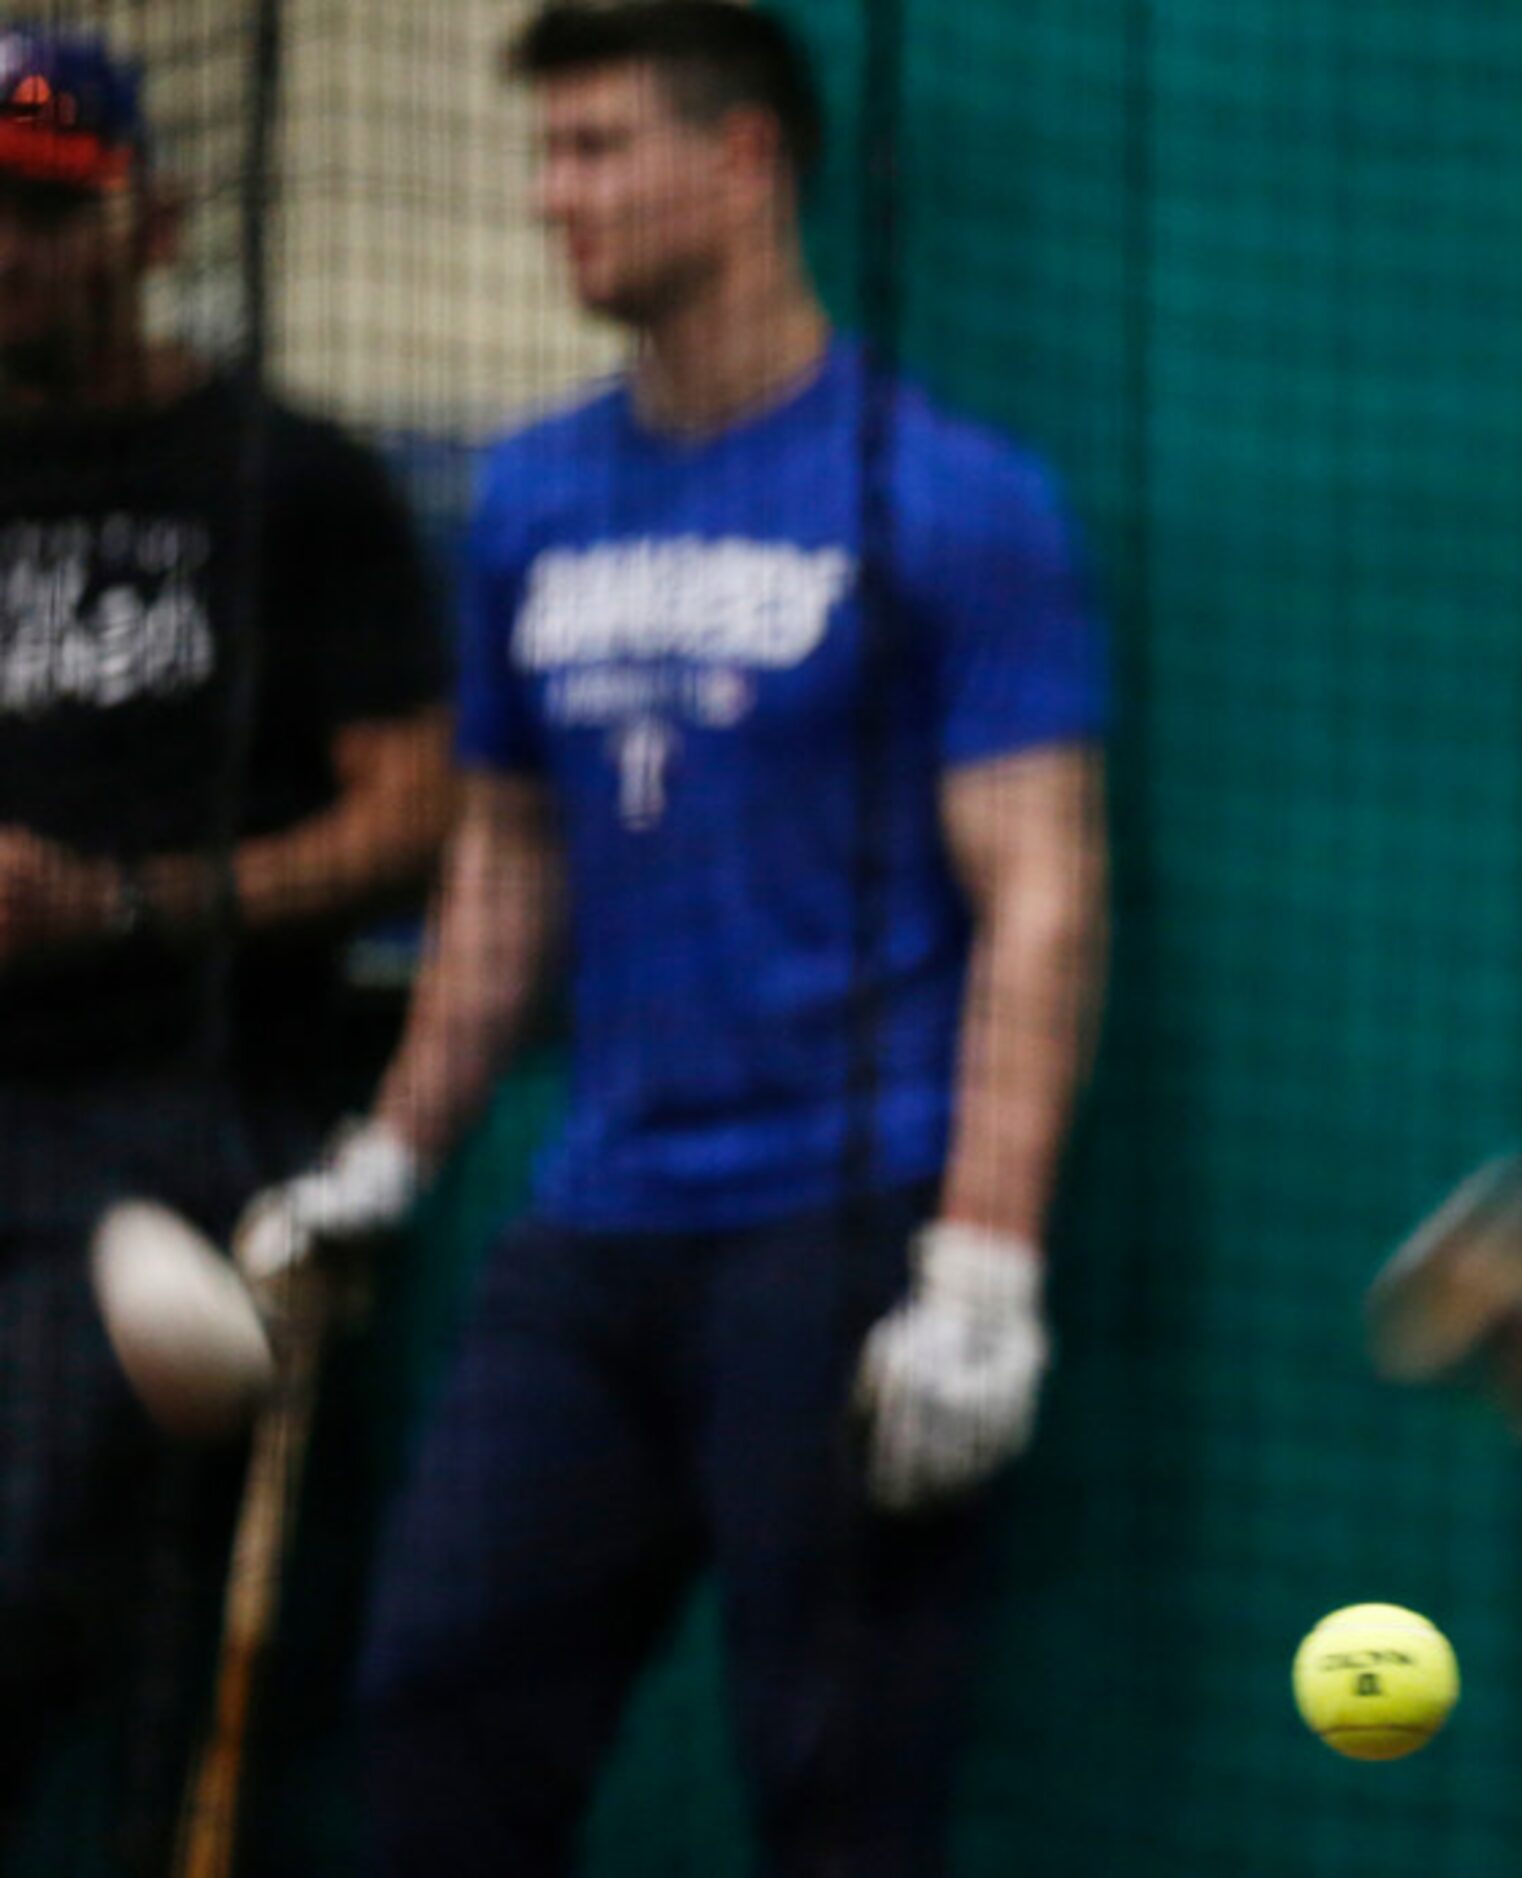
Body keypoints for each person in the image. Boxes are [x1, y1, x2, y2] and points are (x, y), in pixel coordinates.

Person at [234, 3, 1107, 1870]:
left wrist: (984, 1264)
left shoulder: (948, 495)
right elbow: (505, 867)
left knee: (836, 1786)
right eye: (545, 153)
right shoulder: (535, 498)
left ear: (741, 161)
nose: (556, 197)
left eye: (598, 147)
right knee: (435, 1708)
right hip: (595, 1226)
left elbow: (1037, 887)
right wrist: (387, 1158)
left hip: (844, 1225)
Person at [0, 26, 454, 1867]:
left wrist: (118, 901)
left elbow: (412, 816)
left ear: (153, 222)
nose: (6, 260)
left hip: (171, 1116)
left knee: (44, 1565)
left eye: (45, 219)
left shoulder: (283, 479)